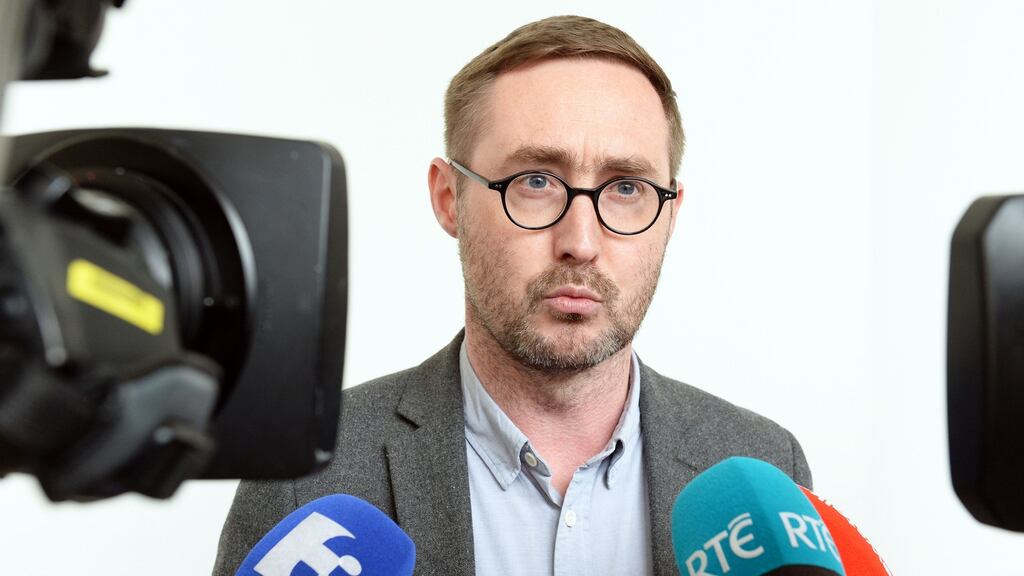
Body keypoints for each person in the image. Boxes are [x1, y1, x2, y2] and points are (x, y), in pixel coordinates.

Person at [213, 15, 811, 576]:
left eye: (626, 186)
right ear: (449, 198)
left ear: (670, 214)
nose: (581, 242)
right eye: (535, 182)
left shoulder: (764, 468)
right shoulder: (307, 478)